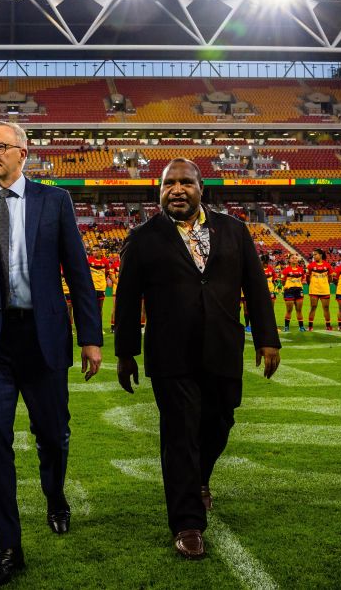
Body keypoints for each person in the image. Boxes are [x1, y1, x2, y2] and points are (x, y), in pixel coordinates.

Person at [0, 120, 102, 588]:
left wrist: (91, 336)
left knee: (53, 434)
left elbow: (78, 271)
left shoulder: (55, 201)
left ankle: (54, 496)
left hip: (44, 338)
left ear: (24, 152)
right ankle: (8, 547)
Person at [114, 158, 281, 561]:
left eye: (185, 182)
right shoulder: (143, 237)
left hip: (223, 347)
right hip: (170, 355)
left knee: (221, 421)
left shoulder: (234, 230)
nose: (177, 189)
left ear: (200, 188)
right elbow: (126, 298)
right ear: (159, 191)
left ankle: (200, 478)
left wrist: (267, 339)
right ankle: (187, 523)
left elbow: (255, 288)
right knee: (180, 435)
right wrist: (125, 353)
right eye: (168, 183)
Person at [305, 248, 333, 330]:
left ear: (320, 255)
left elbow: (330, 278)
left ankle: (328, 325)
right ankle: (310, 326)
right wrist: (312, 285)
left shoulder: (327, 265)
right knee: (313, 307)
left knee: (326, 308)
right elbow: (308, 278)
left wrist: (324, 284)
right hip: (314, 289)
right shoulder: (311, 265)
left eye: (315, 254)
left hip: (325, 290)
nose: (314, 256)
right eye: (313, 255)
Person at [280, 253, 306, 332]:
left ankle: (301, 327)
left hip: (299, 290)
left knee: (299, 310)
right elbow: (283, 282)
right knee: (289, 310)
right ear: (289, 260)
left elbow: (303, 280)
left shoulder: (301, 269)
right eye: (293, 258)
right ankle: (286, 327)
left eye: (296, 258)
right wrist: (288, 286)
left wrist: (299, 284)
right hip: (289, 291)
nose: (295, 259)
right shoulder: (286, 270)